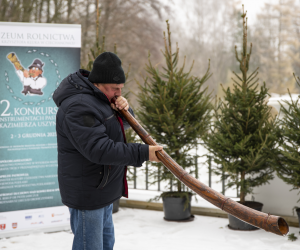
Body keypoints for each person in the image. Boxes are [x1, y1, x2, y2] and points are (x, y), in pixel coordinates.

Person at [53, 52, 162, 250]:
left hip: (102, 189)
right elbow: (99, 149)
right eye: (115, 89)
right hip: (88, 193)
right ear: (98, 83)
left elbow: (118, 128)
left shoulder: (100, 99)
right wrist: (143, 153)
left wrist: (126, 111)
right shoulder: (78, 106)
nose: (119, 93)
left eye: (121, 89)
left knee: (105, 245)